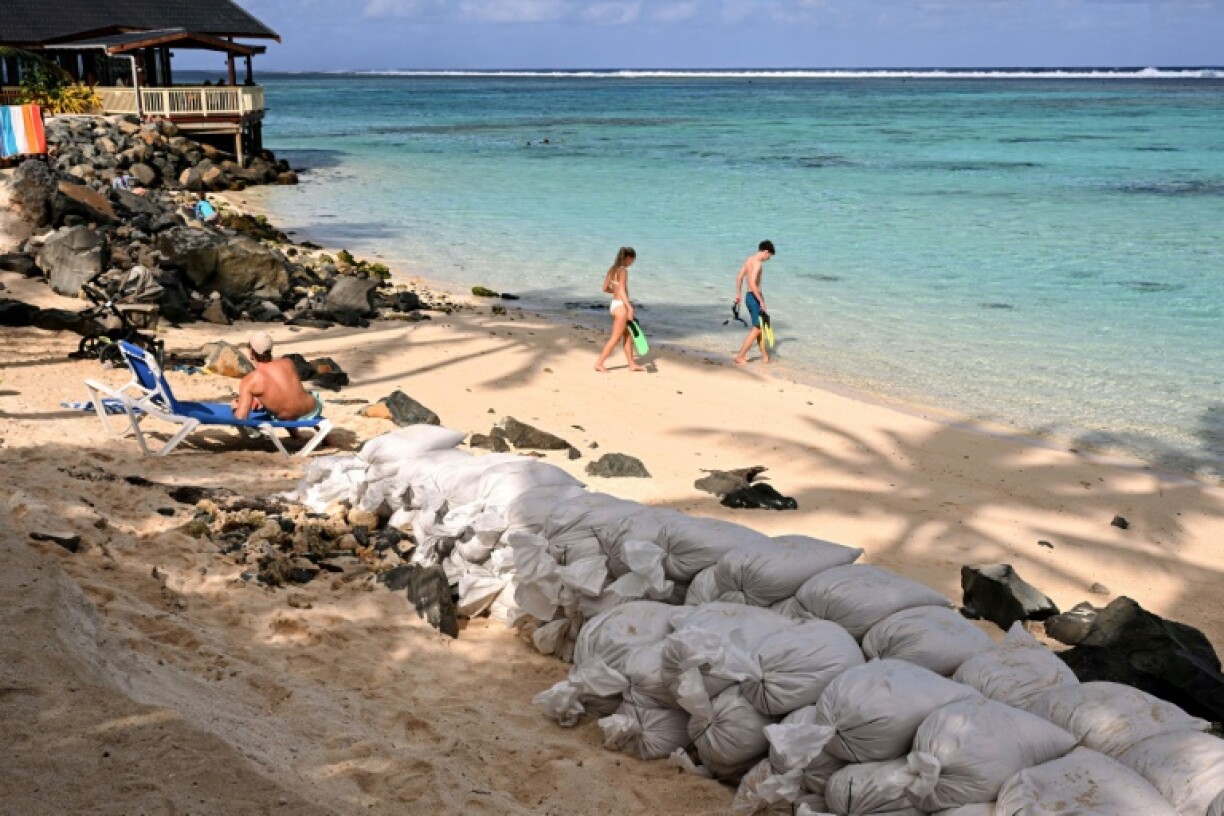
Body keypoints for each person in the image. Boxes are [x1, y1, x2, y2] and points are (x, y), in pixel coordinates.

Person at [233, 332, 324, 425]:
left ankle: (296, 435)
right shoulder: (288, 363)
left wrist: (235, 408)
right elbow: (290, 393)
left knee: (277, 408)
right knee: (297, 397)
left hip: (286, 419)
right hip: (312, 410)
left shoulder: (249, 381)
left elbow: (241, 418)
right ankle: (304, 436)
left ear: (251, 351)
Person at [594, 246, 645, 373]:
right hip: (621, 308)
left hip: (614, 305)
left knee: (628, 336)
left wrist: (615, 292)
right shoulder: (623, 271)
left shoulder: (612, 269)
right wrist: (629, 307)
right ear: (627, 258)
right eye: (632, 260)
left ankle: (631, 364)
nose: (632, 263)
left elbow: (605, 288)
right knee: (615, 338)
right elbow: (622, 290)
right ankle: (599, 363)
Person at [733, 240, 776, 365]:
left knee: (760, 327)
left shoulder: (749, 260)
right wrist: (761, 301)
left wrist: (738, 294)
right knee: (757, 328)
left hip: (748, 296)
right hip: (754, 297)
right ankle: (740, 356)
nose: (769, 259)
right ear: (766, 251)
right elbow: (752, 283)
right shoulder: (758, 264)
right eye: (769, 256)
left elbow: (739, 277)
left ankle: (765, 357)